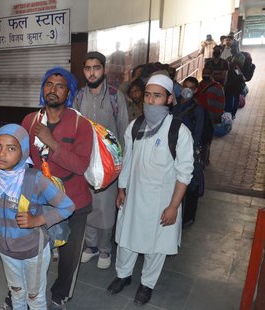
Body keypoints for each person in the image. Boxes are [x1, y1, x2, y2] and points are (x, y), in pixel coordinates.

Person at [107, 74, 194, 305]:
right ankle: (123, 276)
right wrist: (122, 188)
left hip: (162, 202)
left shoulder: (179, 132)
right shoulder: (135, 126)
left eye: (157, 96)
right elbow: (127, 160)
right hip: (134, 197)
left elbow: (185, 174)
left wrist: (174, 206)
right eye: (147, 95)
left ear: (169, 99)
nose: (151, 100)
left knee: (156, 247)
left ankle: (147, 284)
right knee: (126, 239)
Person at [0, 124, 75, 310]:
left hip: (34, 251)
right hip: (8, 251)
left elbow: (67, 206)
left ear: (23, 151)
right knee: (16, 293)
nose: (1, 153)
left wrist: (38, 220)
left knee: (35, 297)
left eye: (11, 148)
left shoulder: (35, 179)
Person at [22, 67, 93, 309]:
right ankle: (24, 293)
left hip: (74, 201)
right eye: (48, 84)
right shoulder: (30, 121)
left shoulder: (80, 124)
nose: (53, 89)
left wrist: (51, 143)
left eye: (59, 85)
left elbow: (81, 165)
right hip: (40, 200)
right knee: (33, 251)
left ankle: (60, 294)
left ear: (69, 92)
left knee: (69, 256)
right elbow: (22, 160)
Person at [73, 51, 129, 270]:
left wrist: (121, 167)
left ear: (103, 70)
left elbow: (124, 132)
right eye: (87, 68)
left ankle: (105, 249)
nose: (92, 72)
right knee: (87, 205)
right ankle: (91, 246)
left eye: (96, 68)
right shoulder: (78, 97)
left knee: (106, 208)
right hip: (86, 163)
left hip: (109, 165)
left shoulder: (116, 97)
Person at [172, 77, 208, 227]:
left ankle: (187, 217)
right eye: (185, 86)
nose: (187, 90)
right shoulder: (173, 104)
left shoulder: (198, 110)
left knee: (188, 183)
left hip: (186, 150)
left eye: (191, 88)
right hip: (172, 148)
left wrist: (193, 152)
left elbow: (198, 133)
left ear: (195, 90)